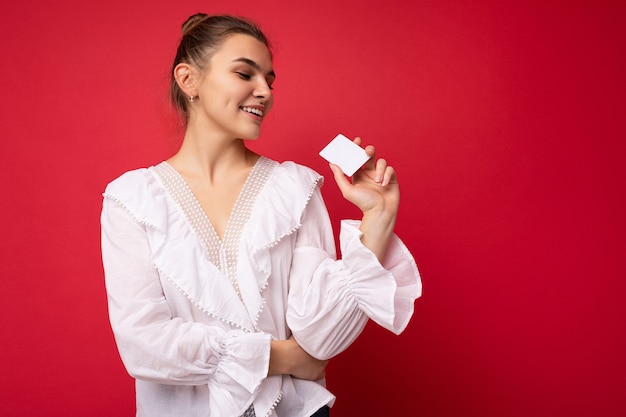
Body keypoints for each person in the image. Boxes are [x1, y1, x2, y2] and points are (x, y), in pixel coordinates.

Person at [101, 13, 421, 417]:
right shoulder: (131, 199)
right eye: (245, 74)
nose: (264, 91)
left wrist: (377, 219)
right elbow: (143, 346)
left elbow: (320, 340)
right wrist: (282, 358)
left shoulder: (294, 188)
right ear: (188, 80)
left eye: (269, 79)